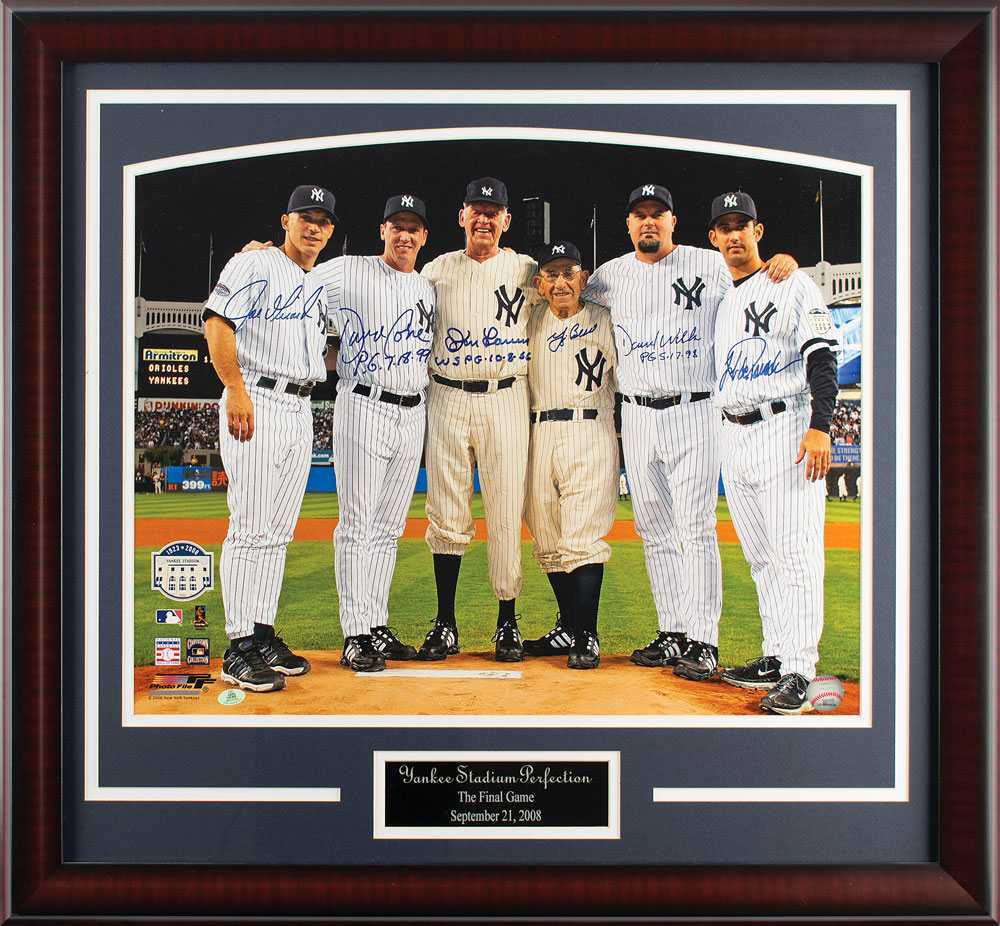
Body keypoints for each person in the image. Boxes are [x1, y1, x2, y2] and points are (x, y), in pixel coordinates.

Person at [584, 184, 796, 683]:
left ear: (673, 222)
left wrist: (781, 262)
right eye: (640, 214)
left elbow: (754, 276)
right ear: (628, 224)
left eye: (658, 213)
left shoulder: (709, 263)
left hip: (695, 409)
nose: (649, 221)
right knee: (653, 529)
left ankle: (703, 639)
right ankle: (672, 630)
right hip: (636, 414)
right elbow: (566, 290)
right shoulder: (609, 275)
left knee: (695, 527)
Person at [707, 191, 839, 714]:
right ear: (714, 238)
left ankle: (801, 669)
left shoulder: (793, 282)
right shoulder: (725, 299)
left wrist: (820, 427)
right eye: (724, 227)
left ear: (757, 232)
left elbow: (822, 356)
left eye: (742, 225)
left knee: (796, 555)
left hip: (785, 428)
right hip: (735, 435)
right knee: (762, 558)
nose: (734, 234)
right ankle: (776, 654)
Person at [203, 184, 336, 693]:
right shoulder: (253, 263)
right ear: (286, 221)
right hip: (256, 397)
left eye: (322, 221)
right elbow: (217, 322)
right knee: (250, 527)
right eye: (305, 217)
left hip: (300, 406)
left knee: (277, 533)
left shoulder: (317, 281)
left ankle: (261, 634)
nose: (313, 227)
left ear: (330, 230)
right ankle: (237, 647)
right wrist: (235, 388)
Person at [416, 177, 541, 662]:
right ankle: (444, 623)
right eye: (476, 210)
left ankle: (507, 623)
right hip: (447, 394)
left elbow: (573, 292)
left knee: (506, 511)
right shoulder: (436, 270)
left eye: (493, 212)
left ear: (506, 220)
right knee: (446, 511)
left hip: (506, 395)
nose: (484, 219)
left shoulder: (527, 270)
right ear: (462, 216)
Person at [321, 195, 436, 672]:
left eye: (413, 227)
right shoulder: (349, 270)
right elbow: (295, 282)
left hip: (413, 411)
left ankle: (375, 623)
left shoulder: (427, 288)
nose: (404, 235)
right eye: (396, 226)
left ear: (424, 236)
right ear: (382, 231)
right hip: (364, 404)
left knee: (388, 529)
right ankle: (355, 634)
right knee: (358, 525)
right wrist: (263, 254)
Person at [519, 241, 618, 670]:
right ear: (539, 283)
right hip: (538, 431)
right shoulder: (529, 320)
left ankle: (586, 635)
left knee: (582, 538)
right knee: (546, 539)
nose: (561, 282)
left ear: (584, 278)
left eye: (569, 273)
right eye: (552, 274)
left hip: (589, 427)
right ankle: (569, 627)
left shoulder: (606, 319)